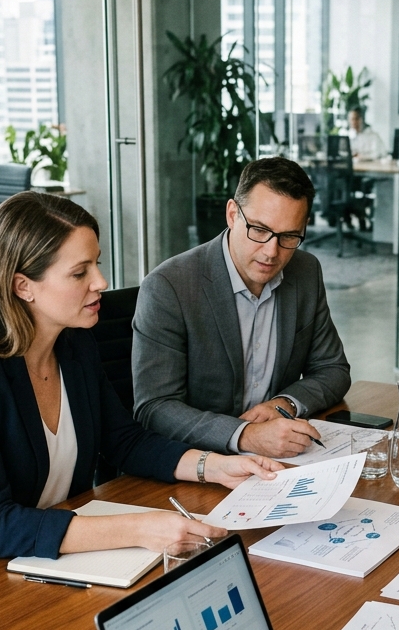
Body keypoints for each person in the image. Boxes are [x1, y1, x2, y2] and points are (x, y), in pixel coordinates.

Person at [0, 192, 278, 570]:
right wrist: (140, 529)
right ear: (23, 286)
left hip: (32, 558)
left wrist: (215, 467)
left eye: (96, 264)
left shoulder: (73, 345)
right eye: (79, 272)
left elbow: (125, 442)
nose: (100, 281)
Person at [132, 156, 352, 458]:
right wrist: (246, 435)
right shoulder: (169, 287)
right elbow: (155, 407)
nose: (271, 252)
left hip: (277, 459)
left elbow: (332, 369)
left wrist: (285, 403)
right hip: (199, 461)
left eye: (289, 236)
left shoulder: (305, 271)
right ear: (232, 214)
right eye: (259, 230)